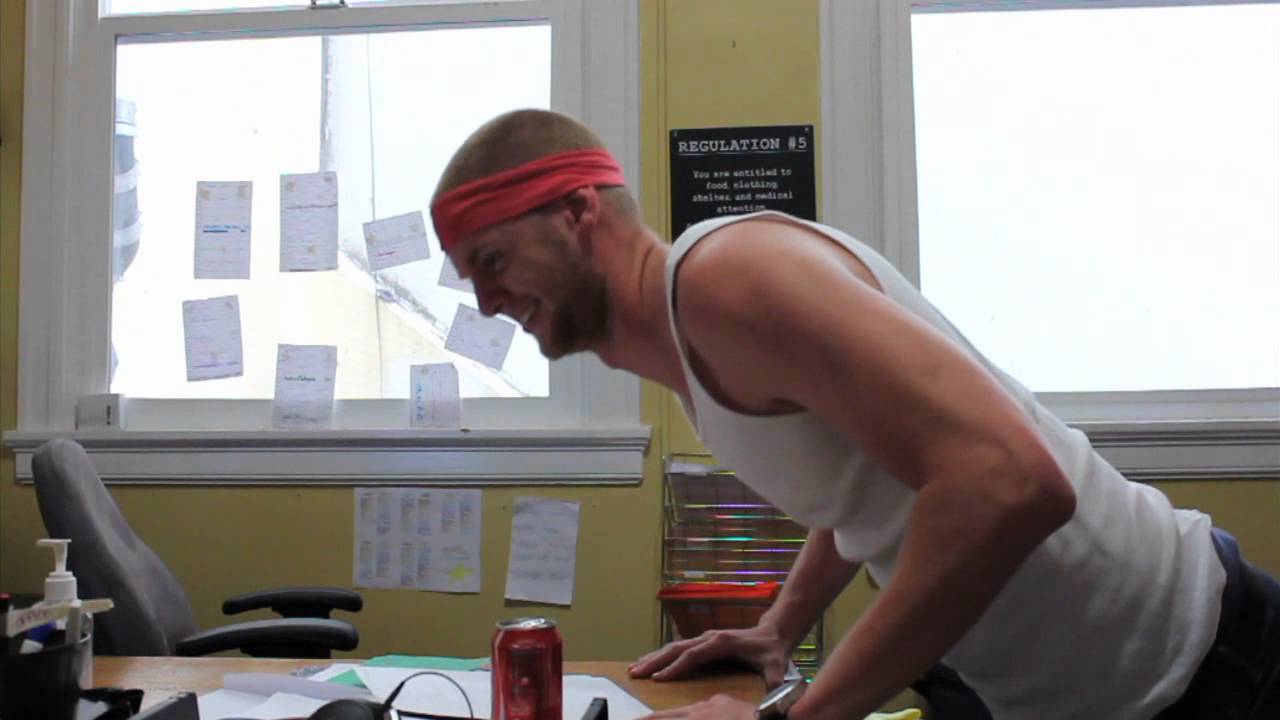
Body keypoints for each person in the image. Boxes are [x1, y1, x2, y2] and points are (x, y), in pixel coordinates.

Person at [429, 108, 1280, 720]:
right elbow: (863, 482)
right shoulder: (695, 344)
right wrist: (777, 628)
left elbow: (1012, 483)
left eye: (492, 260)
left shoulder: (727, 282)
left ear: (578, 212)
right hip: (1050, 690)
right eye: (472, 280)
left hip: (1200, 663)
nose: (488, 303)